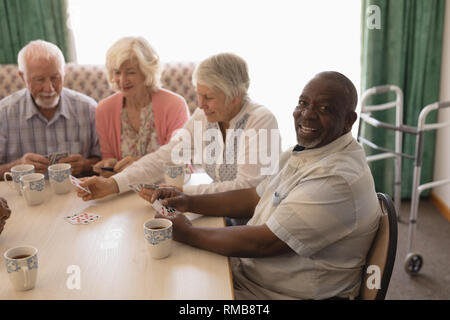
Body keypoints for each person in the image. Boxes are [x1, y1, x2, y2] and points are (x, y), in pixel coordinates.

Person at [144, 71, 382, 300]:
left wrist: (188, 232)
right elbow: (254, 196)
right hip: (252, 276)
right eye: (302, 103)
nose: (307, 114)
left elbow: (264, 242)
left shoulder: (337, 178)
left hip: (280, 294)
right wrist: (189, 201)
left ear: (349, 121)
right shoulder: (305, 152)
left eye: (324, 108)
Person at [76, 53, 280, 201]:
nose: (200, 104)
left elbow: (248, 189)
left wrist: (182, 191)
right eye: (198, 94)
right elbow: (165, 156)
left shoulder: (261, 121)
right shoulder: (203, 117)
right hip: (217, 209)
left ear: (235, 96)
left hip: (254, 218)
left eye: (208, 97)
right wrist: (113, 184)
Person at [0, 40, 101, 178]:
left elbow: (107, 162)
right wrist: (15, 167)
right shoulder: (4, 113)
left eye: (55, 78)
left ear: (64, 73)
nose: (49, 89)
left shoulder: (89, 109)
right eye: (39, 80)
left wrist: (85, 165)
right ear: (23, 77)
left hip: (78, 195)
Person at [93, 37, 189, 177]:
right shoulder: (104, 109)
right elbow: (107, 157)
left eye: (131, 72)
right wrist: (109, 165)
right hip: (123, 190)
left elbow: (180, 161)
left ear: (146, 72)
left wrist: (141, 166)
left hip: (167, 189)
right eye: (117, 72)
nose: (122, 80)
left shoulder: (175, 105)